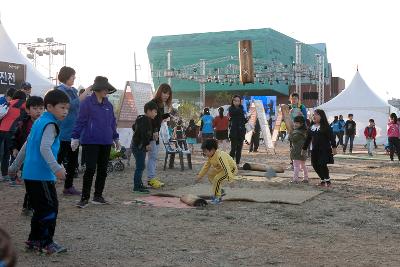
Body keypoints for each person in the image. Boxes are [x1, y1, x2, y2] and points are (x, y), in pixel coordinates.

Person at [8, 89, 70, 254]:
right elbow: (44, 148)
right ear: (49, 106)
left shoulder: (39, 121)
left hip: (30, 174)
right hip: (41, 175)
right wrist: (56, 168)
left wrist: (14, 167)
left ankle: (35, 239)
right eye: (62, 107)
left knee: (40, 208)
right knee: (50, 208)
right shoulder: (51, 124)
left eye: (67, 108)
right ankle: (45, 242)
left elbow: (27, 145)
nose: (65, 111)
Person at [71, 76, 119, 208]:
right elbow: (80, 121)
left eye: (107, 88)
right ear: (97, 88)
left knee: (103, 170)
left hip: (106, 141)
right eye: (104, 88)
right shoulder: (87, 102)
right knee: (90, 169)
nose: (106, 90)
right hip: (90, 141)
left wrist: (116, 138)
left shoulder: (108, 104)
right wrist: (75, 137)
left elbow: (112, 123)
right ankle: (84, 198)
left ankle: (98, 196)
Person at [56, 66, 92, 196]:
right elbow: (70, 105)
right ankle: (48, 182)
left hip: (74, 131)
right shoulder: (60, 90)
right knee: (58, 158)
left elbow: (79, 105)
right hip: (64, 130)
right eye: (72, 76)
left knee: (72, 161)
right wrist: (85, 93)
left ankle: (68, 186)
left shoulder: (72, 90)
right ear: (66, 76)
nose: (74, 78)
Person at [10, 96, 44, 215]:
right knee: (30, 182)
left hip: (39, 158)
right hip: (26, 158)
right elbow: (14, 137)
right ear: (28, 110)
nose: (38, 111)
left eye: (41, 108)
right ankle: (28, 206)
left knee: (37, 182)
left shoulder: (45, 124)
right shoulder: (22, 124)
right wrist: (14, 148)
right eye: (35, 108)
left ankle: (31, 205)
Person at [196, 139, 238, 204]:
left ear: (212, 150)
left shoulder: (220, 156)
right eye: (203, 151)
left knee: (217, 179)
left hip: (231, 169)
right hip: (221, 169)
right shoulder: (211, 156)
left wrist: (231, 180)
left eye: (205, 151)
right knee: (210, 175)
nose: (204, 153)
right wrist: (200, 176)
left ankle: (218, 198)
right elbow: (206, 167)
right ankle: (220, 190)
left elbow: (226, 168)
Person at [302, 109, 337, 187]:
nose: (314, 116)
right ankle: (322, 179)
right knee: (314, 165)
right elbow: (308, 139)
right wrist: (304, 149)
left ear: (322, 116)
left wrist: (334, 148)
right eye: (313, 115)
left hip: (324, 149)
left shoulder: (326, 127)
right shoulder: (311, 127)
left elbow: (332, 138)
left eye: (316, 114)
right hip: (314, 150)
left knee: (322, 164)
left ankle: (327, 181)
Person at [147, 83, 172, 189]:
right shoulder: (153, 103)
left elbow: (158, 118)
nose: (166, 95)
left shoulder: (161, 104)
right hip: (151, 134)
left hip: (155, 133)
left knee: (154, 156)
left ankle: (152, 178)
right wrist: (155, 131)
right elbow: (150, 120)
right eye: (164, 93)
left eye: (168, 94)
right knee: (152, 157)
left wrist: (168, 115)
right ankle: (151, 179)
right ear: (159, 92)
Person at [131, 101, 158, 194]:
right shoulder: (145, 120)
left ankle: (139, 184)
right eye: (155, 111)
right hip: (139, 146)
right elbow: (143, 133)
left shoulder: (142, 119)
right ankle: (137, 186)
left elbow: (134, 127)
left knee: (141, 165)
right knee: (140, 166)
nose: (156, 114)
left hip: (137, 145)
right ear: (149, 111)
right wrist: (146, 144)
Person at [0, 90, 27, 182]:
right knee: (12, 153)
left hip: (1, 129)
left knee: (4, 154)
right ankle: (12, 177)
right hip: (12, 131)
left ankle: (4, 175)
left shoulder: (8, 103)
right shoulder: (23, 103)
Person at [289, 116, 309, 183]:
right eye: (294, 122)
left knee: (296, 166)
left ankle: (295, 179)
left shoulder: (297, 132)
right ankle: (306, 178)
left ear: (302, 124)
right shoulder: (304, 131)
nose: (295, 124)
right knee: (303, 165)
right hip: (303, 152)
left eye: (297, 123)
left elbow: (293, 139)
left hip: (297, 152)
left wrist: (290, 134)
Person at [228, 95, 247, 165]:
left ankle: (237, 164)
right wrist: (240, 108)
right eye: (235, 100)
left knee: (239, 149)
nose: (236, 102)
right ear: (232, 101)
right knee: (233, 149)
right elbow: (233, 113)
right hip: (234, 131)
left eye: (238, 101)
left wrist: (247, 119)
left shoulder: (241, 109)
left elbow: (243, 120)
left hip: (241, 131)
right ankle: (230, 163)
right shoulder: (231, 108)